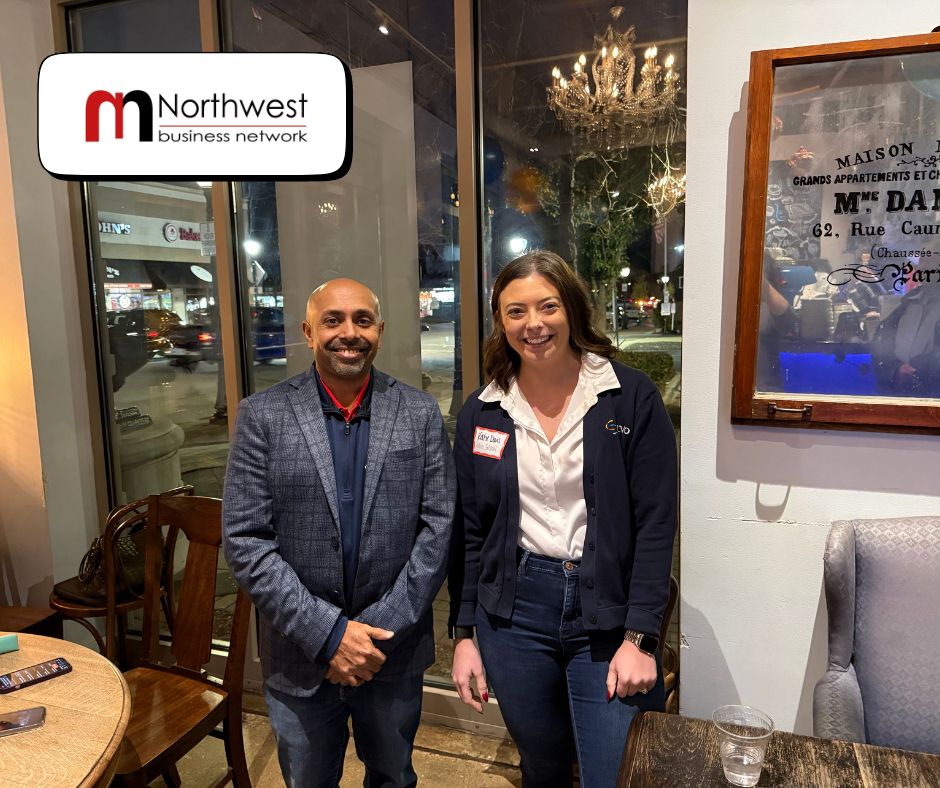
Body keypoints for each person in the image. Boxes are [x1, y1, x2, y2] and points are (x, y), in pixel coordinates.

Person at [448, 251, 677, 788]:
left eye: (547, 306)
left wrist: (641, 637)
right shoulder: (483, 411)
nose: (534, 324)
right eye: (516, 311)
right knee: (542, 767)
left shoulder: (628, 397)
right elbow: (471, 533)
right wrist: (463, 634)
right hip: (513, 616)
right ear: (501, 322)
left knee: (617, 771)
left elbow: (656, 524)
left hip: (608, 613)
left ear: (572, 308)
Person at [223, 278, 456, 788]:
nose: (349, 333)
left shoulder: (419, 413)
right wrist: (329, 636)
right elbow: (245, 540)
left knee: (394, 777)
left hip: (390, 652)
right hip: (299, 655)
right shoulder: (262, 415)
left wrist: (371, 637)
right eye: (333, 320)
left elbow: (438, 529)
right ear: (309, 332)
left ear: (379, 331)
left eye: (362, 320)